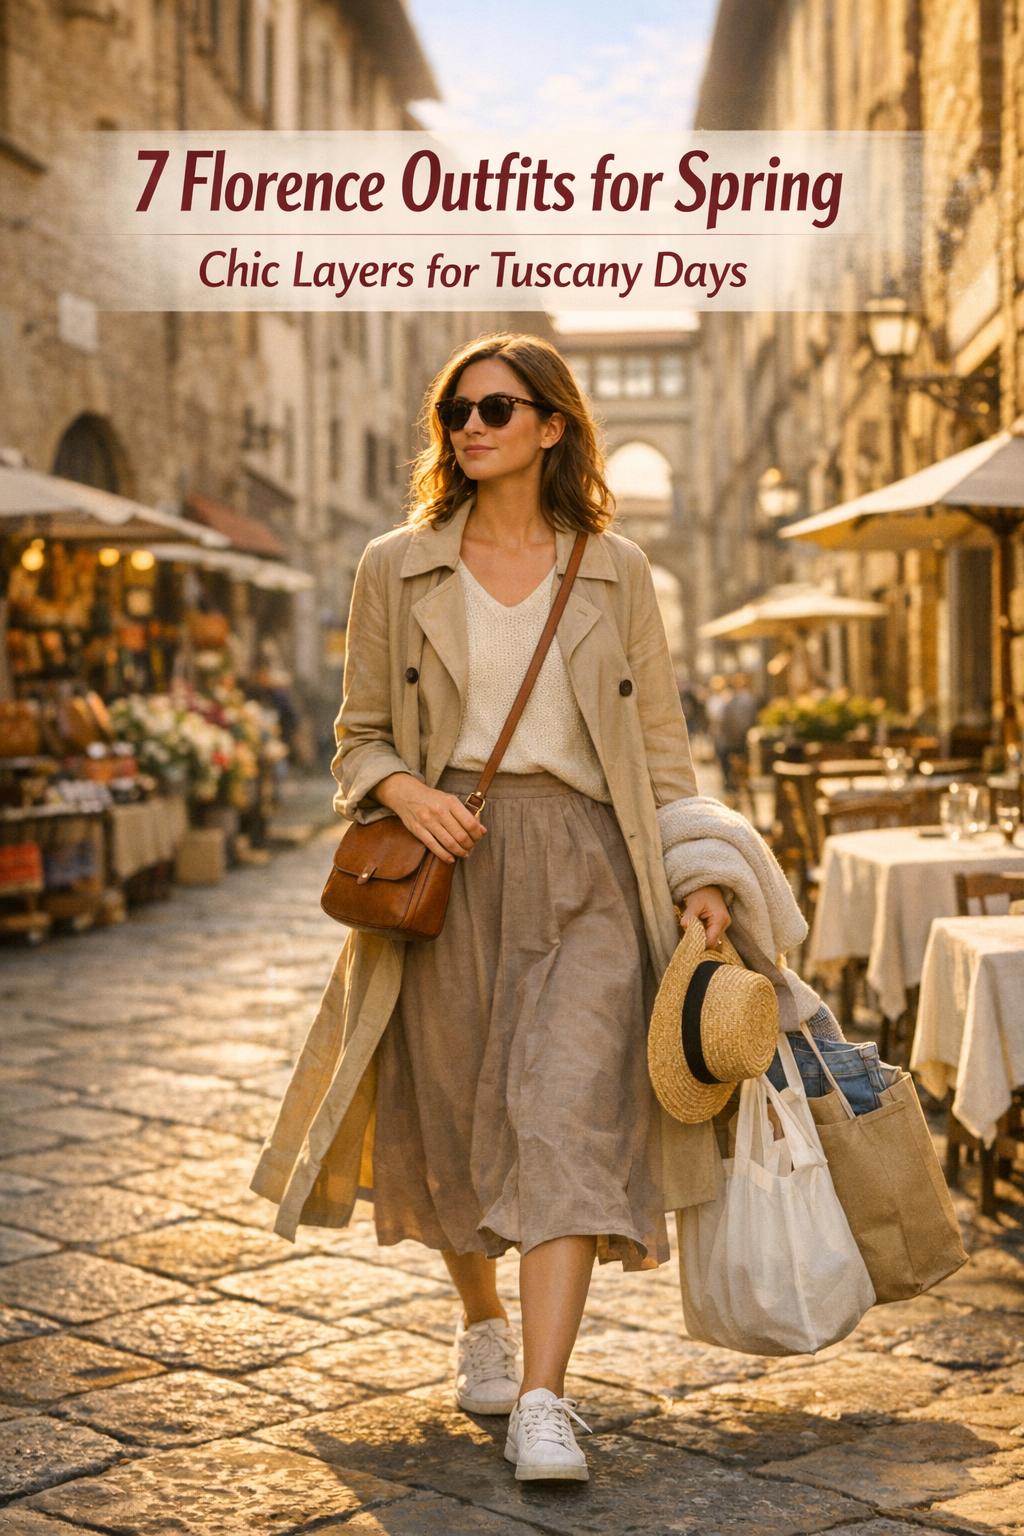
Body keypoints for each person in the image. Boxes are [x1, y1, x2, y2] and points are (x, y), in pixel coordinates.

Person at [252, 333, 729, 1484]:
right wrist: (408, 792)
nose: (470, 426)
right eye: (455, 410)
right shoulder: (394, 565)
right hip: (443, 870)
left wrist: (698, 872)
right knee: (460, 1112)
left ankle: (544, 1400)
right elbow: (356, 735)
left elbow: (661, 750)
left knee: (565, 1113)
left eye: (497, 409)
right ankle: (480, 1320)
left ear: (552, 426)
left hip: (587, 867)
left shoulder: (617, 572)